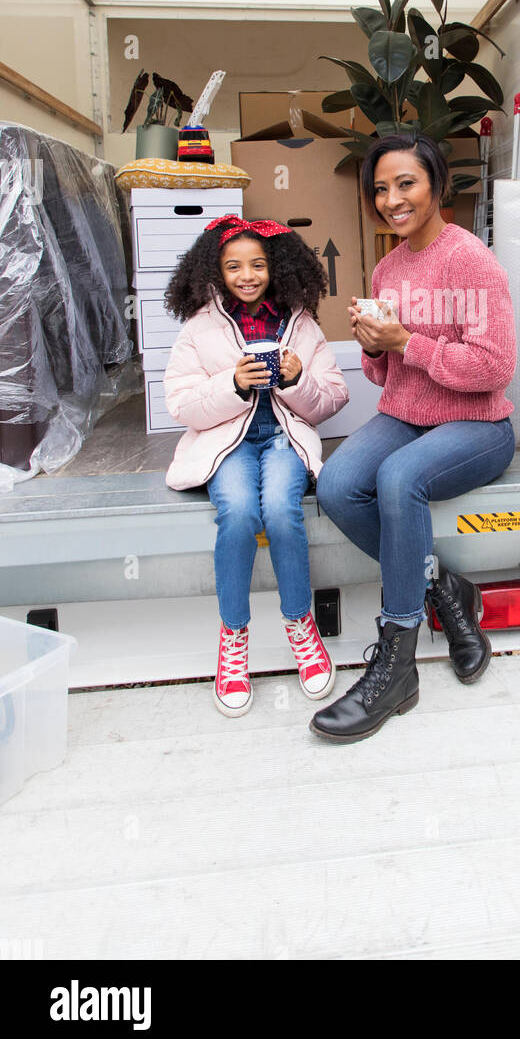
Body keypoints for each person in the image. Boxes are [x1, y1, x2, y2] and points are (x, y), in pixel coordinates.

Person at [312, 133, 517, 743]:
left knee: (399, 478)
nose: (392, 199)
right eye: (381, 188)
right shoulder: (387, 266)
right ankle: (443, 588)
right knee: (339, 486)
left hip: (478, 424)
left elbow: (494, 367)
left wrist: (407, 343)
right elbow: (386, 375)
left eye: (406, 184)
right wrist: (376, 347)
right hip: (408, 412)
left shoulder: (470, 259)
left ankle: (397, 662)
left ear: (436, 186)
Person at [162, 215, 349, 717]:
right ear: (214, 271)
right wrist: (234, 385)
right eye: (234, 266)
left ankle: (300, 626)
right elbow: (180, 404)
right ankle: (233, 640)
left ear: (278, 267)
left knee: (282, 513)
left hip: (284, 439)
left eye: (258, 264)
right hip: (229, 443)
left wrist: (295, 378)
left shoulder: (301, 323)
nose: (247, 275)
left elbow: (333, 398)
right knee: (240, 513)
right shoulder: (199, 328)